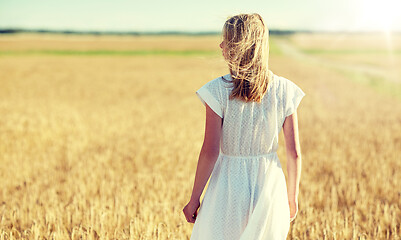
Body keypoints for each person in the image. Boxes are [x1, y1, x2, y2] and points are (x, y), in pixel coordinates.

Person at [183, 13, 305, 239]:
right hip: (270, 185)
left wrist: (194, 199)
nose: (221, 45)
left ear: (240, 45)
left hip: (228, 187)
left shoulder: (217, 90)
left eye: (226, 40)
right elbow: (294, 153)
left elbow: (210, 151)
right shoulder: (285, 90)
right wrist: (292, 196)